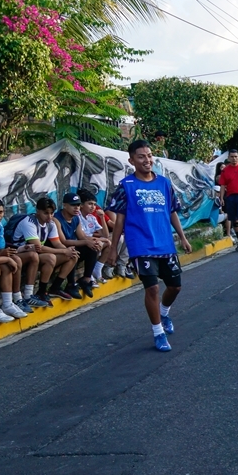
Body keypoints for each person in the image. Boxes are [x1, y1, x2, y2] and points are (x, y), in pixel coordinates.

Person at [104, 139, 192, 352]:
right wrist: (114, 248)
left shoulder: (163, 183)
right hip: (140, 245)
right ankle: (158, 332)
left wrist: (182, 236)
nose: (147, 160)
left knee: (175, 287)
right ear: (132, 160)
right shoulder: (126, 186)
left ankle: (164, 312)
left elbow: (172, 211)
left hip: (164, 243)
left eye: (149, 155)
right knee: (152, 288)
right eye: (141, 156)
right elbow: (120, 220)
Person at [54, 192, 105, 298]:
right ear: (64, 205)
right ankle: (71, 284)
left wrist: (94, 241)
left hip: (71, 246)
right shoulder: (57, 219)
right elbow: (64, 241)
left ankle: (86, 280)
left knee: (92, 247)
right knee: (73, 251)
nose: (76, 208)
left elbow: (82, 237)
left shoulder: (76, 218)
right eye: (73, 205)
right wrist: (86, 241)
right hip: (59, 249)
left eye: (78, 205)